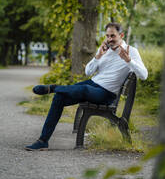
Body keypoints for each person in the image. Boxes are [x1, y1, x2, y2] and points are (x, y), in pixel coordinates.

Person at [25, 22, 148, 151]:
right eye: (107, 36)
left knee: (83, 89)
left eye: (113, 36)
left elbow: (144, 75)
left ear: (121, 35)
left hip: (106, 94)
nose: (109, 39)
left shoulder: (132, 51)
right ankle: (43, 141)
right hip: (92, 84)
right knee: (59, 98)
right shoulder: (105, 50)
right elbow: (88, 72)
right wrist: (98, 56)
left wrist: (128, 60)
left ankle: (53, 87)